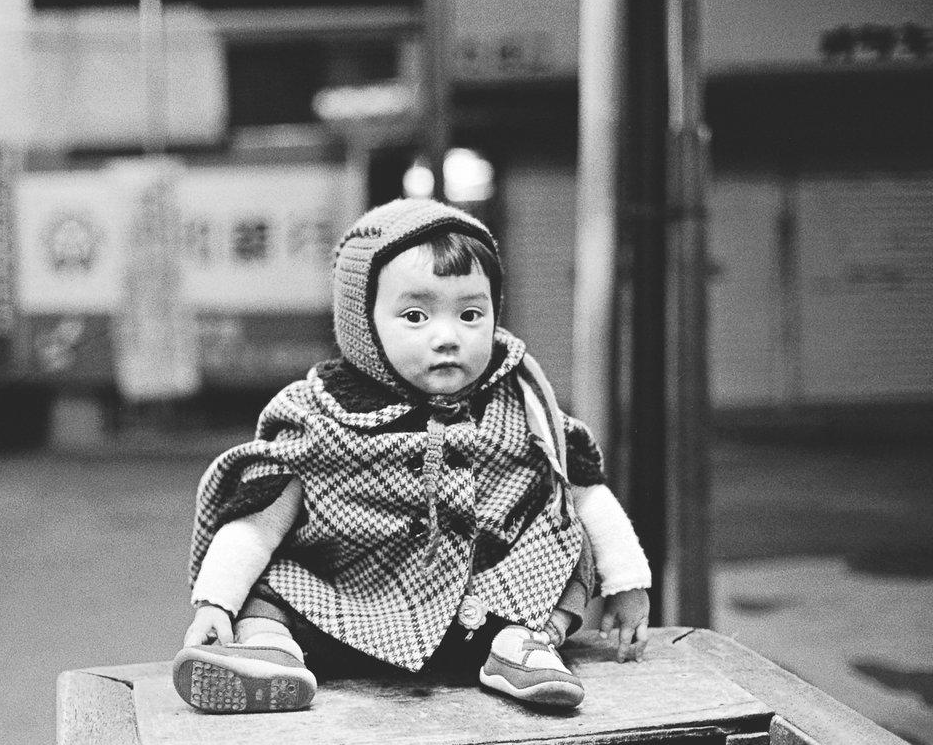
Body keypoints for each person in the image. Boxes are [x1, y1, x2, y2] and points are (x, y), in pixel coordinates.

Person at [172, 197, 651, 714]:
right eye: (416, 315)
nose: (447, 337)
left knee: (565, 537)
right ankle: (269, 647)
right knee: (273, 584)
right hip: (349, 603)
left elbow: (585, 493)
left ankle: (522, 647)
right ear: (362, 322)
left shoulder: (523, 401)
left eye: (471, 314)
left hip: (482, 606)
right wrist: (214, 602)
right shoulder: (320, 416)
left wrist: (628, 583)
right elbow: (257, 521)